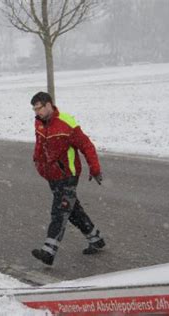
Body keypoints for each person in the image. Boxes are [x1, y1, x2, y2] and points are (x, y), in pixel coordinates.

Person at [30, 91, 105, 266]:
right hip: (51, 175)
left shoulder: (66, 124)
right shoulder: (39, 123)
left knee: (59, 212)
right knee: (72, 211)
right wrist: (38, 162)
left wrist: (95, 169)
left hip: (68, 176)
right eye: (34, 109)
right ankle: (96, 239)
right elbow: (39, 146)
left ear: (49, 105)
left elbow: (87, 146)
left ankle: (48, 252)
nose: (37, 112)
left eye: (39, 108)